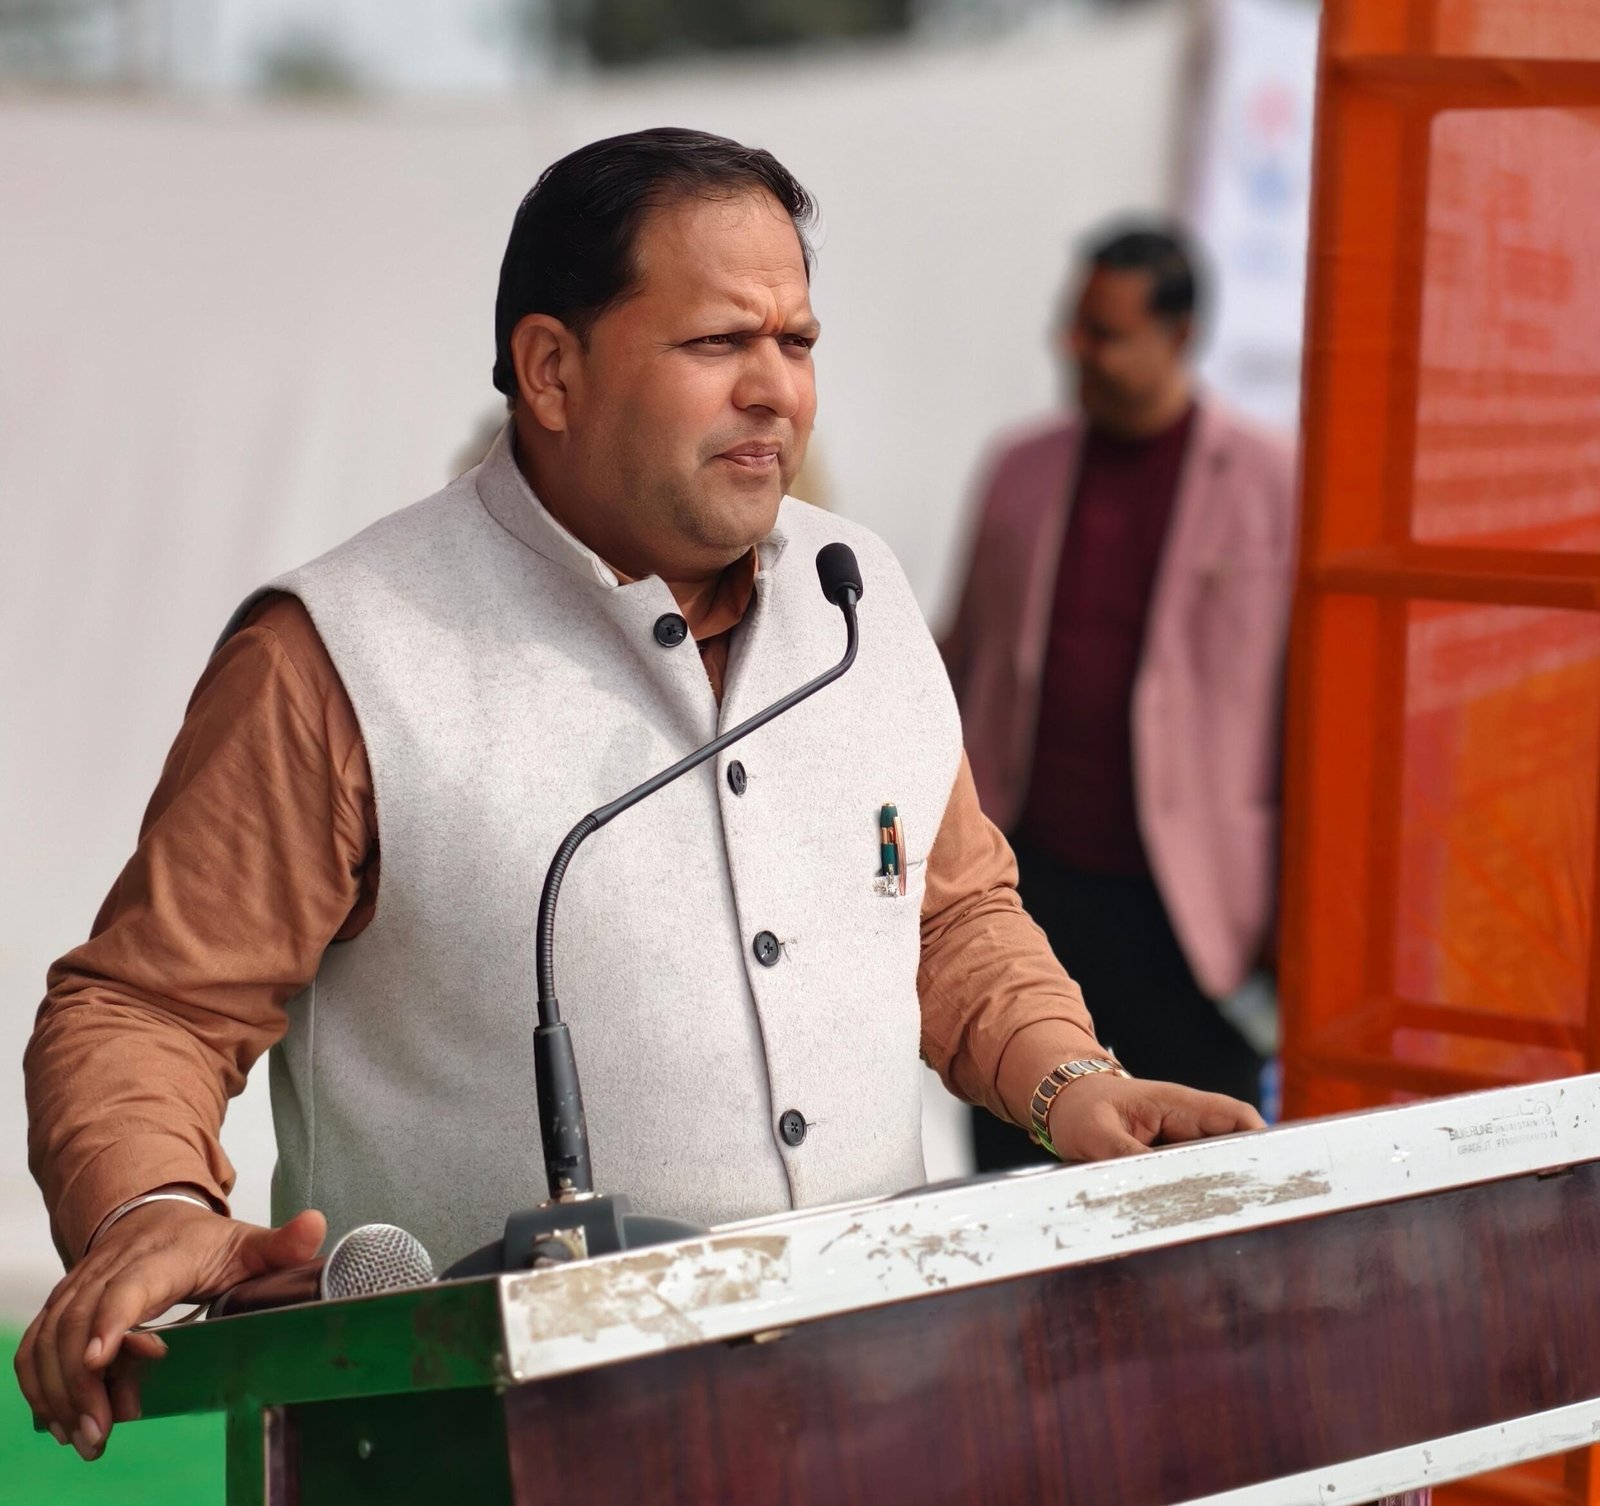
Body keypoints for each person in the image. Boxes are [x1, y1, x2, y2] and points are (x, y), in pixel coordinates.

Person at [18, 135, 1261, 1461]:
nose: (776, 388)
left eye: (796, 340)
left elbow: (948, 914)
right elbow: (146, 1005)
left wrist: (1070, 1081)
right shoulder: (340, 654)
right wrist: (146, 1205)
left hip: (875, 1419)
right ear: (551, 369)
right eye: (720, 341)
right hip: (469, 1452)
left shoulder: (863, 597)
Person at [942, 224, 1295, 1173]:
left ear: (1178, 336)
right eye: (1075, 324)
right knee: (1016, 1167)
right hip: (1031, 890)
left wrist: (1287, 921)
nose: (1076, 350)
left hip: (1194, 916)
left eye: (1105, 333)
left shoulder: (1272, 480)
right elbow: (963, 652)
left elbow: (1306, 712)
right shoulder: (1020, 468)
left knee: (1195, 1180)